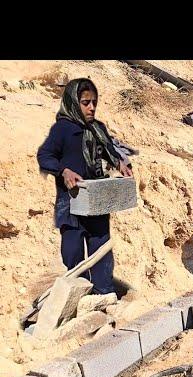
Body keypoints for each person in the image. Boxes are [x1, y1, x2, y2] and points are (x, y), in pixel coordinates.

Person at [37, 78, 133, 294]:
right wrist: (64, 171)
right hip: (70, 205)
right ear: (73, 102)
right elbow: (45, 155)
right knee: (72, 254)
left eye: (94, 102)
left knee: (101, 253)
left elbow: (111, 150)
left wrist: (121, 163)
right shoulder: (62, 130)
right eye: (85, 102)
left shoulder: (98, 128)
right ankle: (76, 297)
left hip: (96, 202)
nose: (91, 107)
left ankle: (103, 296)